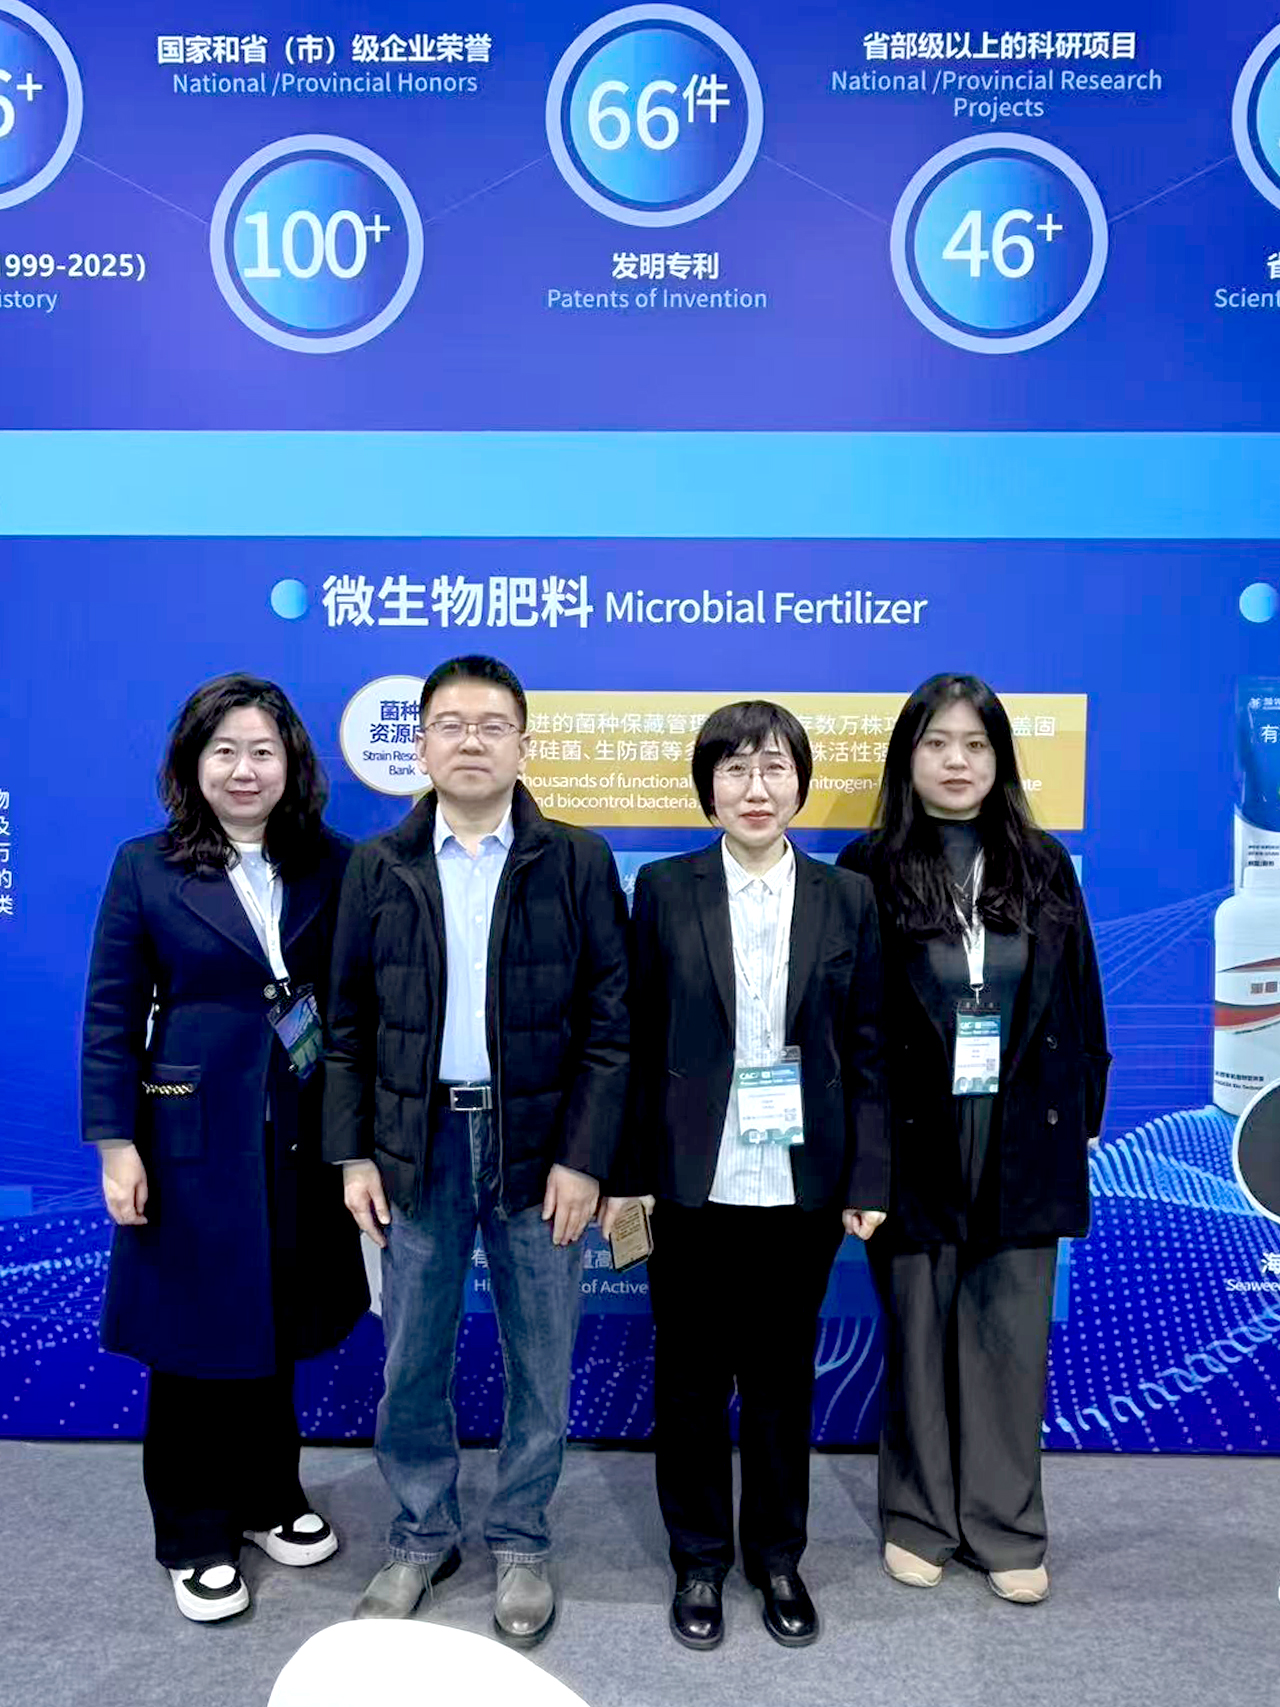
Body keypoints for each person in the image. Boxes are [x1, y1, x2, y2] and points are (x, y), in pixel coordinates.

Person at [326, 655, 630, 1646]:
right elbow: (347, 1027)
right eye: (449, 724)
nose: (470, 740)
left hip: (537, 1145)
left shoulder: (575, 860)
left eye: (492, 724)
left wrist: (584, 1158)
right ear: (420, 745)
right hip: (414, 1144)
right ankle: (421, 1533)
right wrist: (355, 1154)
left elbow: (609, 1025)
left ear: (523, 745)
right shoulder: (378, 866)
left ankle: (521, 1536)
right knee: (412, 1353)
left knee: (541, 1353)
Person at [602, 701, 889, 1651]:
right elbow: (636, 1040)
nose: (755, 788)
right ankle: (698, 1559)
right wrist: (628, 1174)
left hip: (802, 1183)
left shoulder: (847, 896)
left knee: (779, 1381)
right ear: (708, 788)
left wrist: (869, 1175)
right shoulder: (665, 889)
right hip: (692, 1179)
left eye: (773, 768)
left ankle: (776, 1556)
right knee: (689, 1381)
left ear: (800, 783)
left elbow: (867, 1047)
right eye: (734, 769)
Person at [80, 674, 368, 1623]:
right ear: (193, 762)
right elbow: (111, 1014)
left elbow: (351, 1002)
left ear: (293, 764)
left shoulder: (334, 862)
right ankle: (195, 1529)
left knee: (274, 1322)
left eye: (263, 751)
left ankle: (269, 1493)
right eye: (225, 751)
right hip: (188, 1135)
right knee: (193, 1335)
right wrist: (116, 1144)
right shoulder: (146, 866)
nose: (245, 770)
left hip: (300, 1131)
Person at [838, 673, 1110, 1606]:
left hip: (1022, 1130)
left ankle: (1006, 1526)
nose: (957, 762)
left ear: (1000, 759)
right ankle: (919, 1518)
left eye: (976, 744)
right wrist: (862, 1158)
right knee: (917, 1332)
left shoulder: (1044, 863)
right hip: (915, 1134)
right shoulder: (868, 866)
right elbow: (856, 1025)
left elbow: (1081, 1002)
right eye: (937, 743)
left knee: (1009, 1336)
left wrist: (1082, 1121)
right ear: (907, 757)